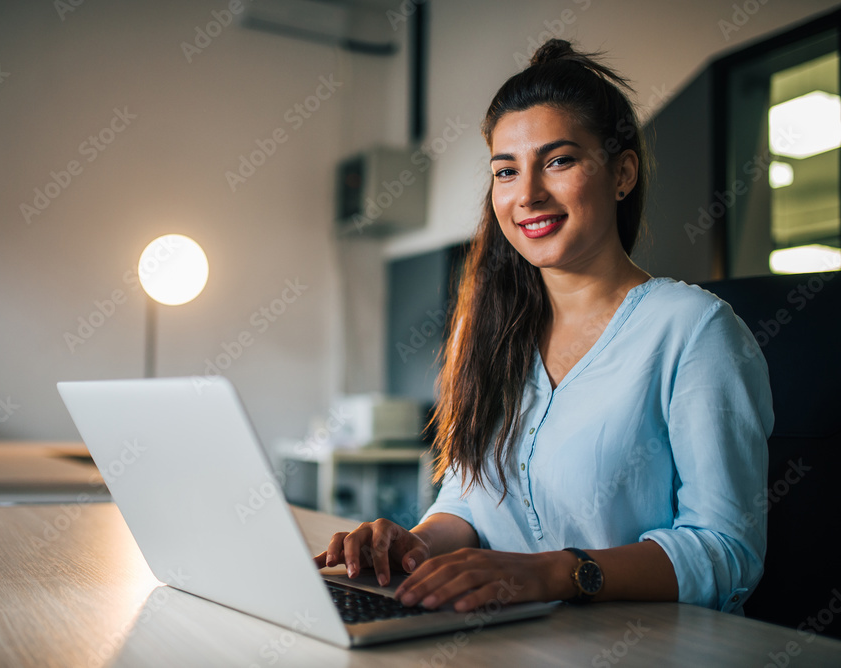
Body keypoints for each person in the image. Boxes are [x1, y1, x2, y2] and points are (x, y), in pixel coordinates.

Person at [314, 39, 773, 614]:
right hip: (493, 638)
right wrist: (416, 545)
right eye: (506, 171)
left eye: (558, 161)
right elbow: (468, 499)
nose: (527, 194)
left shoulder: (694, 331)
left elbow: (727, 551)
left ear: (622, 173)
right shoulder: (484, 331)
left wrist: (557, 572)